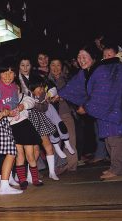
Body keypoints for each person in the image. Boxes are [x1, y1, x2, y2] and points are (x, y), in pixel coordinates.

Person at [59, 43, 122, 180]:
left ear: (93, 58)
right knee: (108, 140)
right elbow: (74, 86)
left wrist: (86, 107)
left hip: (113, 110)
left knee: (114, 140)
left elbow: (102, 94)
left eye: (84, 57)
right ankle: (115, 167)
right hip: (105, 113)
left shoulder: (102, 70)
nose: (81, 60)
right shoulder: (86, 72)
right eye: (79, 57)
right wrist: (60, 94)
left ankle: (117, 170)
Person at [0, 57, 41, 191]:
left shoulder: (13, 87)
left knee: (12, 152)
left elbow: (13, 104)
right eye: (4, 72)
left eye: (11, 72)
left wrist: (11, 110)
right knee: (8, 152)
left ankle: (7, 182)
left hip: (8, 122)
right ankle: (4, 182)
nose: (8, 76)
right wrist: (2, 112)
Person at [48, 56, 78, 172]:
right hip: (52, 116)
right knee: (55, 142)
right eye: (53, 65)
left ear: (62, 67)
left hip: (66, 113)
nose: (55, 68)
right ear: (49, 67)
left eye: (58, 65)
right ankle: (57, 167)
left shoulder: (68, 79)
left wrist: (62, 96)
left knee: (70, 140)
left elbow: (74, 94)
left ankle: (71, 165)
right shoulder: (45, 80)